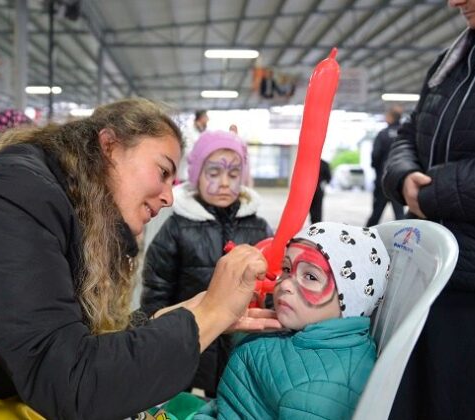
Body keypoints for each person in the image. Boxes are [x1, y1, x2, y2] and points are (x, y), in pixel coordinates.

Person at [0, 99, 280, 419]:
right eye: (162, 172)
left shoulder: (62, 204)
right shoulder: (14, 194)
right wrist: (211, 314)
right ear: (108, 146)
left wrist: (195, 314)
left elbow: (61, 339)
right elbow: (69, 383)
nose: (167, 195)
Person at [382, 1, 475, 419]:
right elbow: (407, 132)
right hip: (432, 281)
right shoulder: (455, 55)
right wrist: (403, 175)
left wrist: (435, 193)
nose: (453, 2)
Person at [190, 222, 390, 419]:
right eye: (287, 269)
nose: (285, 284)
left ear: (351, 297)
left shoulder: (324, 388)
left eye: (310, 276)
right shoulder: (301, 329)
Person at [140, 130, 273, 397]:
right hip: (188, 339)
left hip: (237, 344)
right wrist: (153, 336)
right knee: (176, 399)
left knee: (227, 397)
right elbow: (157, 286)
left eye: (234, 174)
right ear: (196, 174)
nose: (225, 183)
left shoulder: (259, 227)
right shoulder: (177, 227)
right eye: (214, 173)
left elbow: (270, 282)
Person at [365, 107, 404, 226]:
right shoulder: (405, 133)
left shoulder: (383, 134)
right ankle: (404, 240)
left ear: (390, 117)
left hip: (383, 180)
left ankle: (365, 238)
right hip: (399, 180)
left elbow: (375, 155)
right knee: (400, 215)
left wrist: (377, 170)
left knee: (376, 212)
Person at [177, 109, 209, 182]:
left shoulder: (202, 132)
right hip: (185, 174)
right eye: (206, 117)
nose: (208, 120)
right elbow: (187, 152)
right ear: (201, 118)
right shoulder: (187, 131)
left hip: (198, 174)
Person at [309, 159, 332, 223]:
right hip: (318, 190)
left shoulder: (308, 162)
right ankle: (316, 225)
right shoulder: (324, 164)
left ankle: (313, 223)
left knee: (309, 209)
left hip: (307, 190)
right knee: (317, 209)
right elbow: (329, 178)